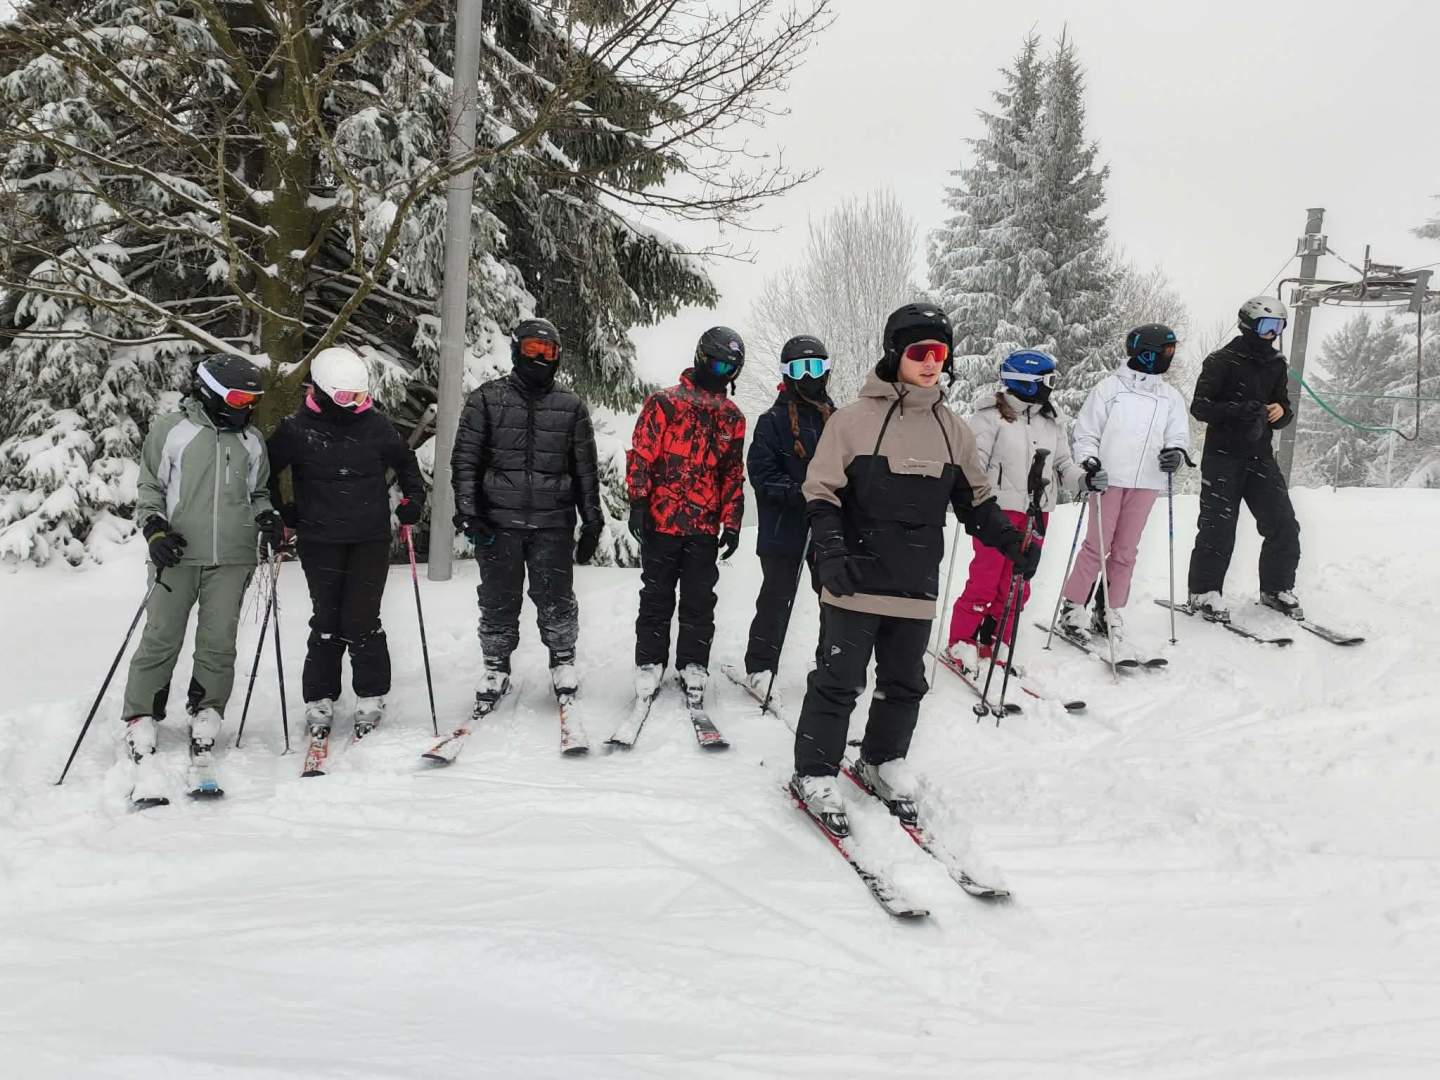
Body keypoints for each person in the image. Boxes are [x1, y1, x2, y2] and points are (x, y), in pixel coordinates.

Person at [789, 304, 1036, 836]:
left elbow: (976, 502)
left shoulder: (953, 431)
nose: (930, 363)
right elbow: (821, 493)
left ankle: (882, 761)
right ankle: (815, 771)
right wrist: (830, 551)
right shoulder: (851, 420)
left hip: (915, 583)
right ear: (895, 354)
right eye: (920, 352)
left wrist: (1011, 541)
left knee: (904, 684)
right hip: (854, 580)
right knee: (838, 682)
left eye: (939, 353)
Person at [119, 354, 280, 802]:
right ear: (211, 393)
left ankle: (207, 711)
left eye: (252, 399)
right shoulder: (172, 430)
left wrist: (268, 517)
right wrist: (154, 530)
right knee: (161, 636)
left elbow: (259, 492)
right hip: (177, 555)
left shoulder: (251, 440)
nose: (247, 406)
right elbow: (150, 487)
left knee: (218, 641)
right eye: (239, 398)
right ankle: (141, 715)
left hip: (233, 556)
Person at [266, 346, 425, 739]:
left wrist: (413, 500)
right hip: (319, 538)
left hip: (369, 538)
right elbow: (264, 473)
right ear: (321, 391)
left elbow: (406, 463)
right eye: (345, 397)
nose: (354, 404)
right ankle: (319, 696)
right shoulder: (295, 429)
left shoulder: (375, 425)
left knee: (362, 619)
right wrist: (282, 512)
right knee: (327, 618)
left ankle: (370, 693)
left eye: (360, 395)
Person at [452, 318, 603, 706]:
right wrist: (469, 511)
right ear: (517, 351)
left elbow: (585, 470)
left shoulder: (570, 406)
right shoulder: (486, 400)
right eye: (532, 349)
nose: (540, 357)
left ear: (557, 356)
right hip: (497, 523)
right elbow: (466, 460)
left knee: (556, 597)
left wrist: (592, 521)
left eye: (548, 351)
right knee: (498, 598)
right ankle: (495, 664)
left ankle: (563, 659)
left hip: (552, 523)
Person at [626, 326, 746, 707]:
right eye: (717, 363)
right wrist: (638, 502)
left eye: (730, 368)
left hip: (703, 526)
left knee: (699, 598)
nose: (722, 372)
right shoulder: (664, 403)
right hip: (661, 520)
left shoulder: (732, 417)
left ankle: (694, 662)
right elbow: (642, 453)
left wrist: (732, 521)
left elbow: (732, 472)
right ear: (701, 358)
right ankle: (649, 662)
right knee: (656, 595)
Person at [945, 349, 1086, 671]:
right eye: (1047, 380)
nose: (1051, 387)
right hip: (997, 513)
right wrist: (972, 499)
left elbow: (1063, 464)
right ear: (1026, 382)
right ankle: (962, 641)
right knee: (986, 579)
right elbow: (973, 465)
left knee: (1018, 582)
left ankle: (997, 639)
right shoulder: (988, 418)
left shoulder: (1051, 420)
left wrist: (1083, 479)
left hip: (1037, 511)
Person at [1057, 324, 1191, 657]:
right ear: (1146, 353)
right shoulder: (1109, 389)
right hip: (1109, 479)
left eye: (1172, 352)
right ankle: (1074, 607)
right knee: (1097, 545)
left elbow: (1178, 435)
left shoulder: (1169, 396)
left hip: (1146, 482)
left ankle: (1109, 609)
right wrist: (1089, 461)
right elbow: (1087, 432)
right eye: (1166, 352)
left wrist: (1175, 453)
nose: (1169, 358)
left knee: (1126, 550)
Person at [1186, 296, 1301, 621]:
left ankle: (1276, 588)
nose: (1272, 334)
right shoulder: (1222, 360)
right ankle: (1204, 592)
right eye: (1266, 326)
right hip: (1223, 457)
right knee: (1218, 527)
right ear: (1248, 325)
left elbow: (1283, 407)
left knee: (1283, 523)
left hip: (1260, 456)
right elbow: (1200, 407)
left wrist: (1281, 412)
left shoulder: (1276, 364)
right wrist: (1239, 409)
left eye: (1278, 327)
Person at [741, 335, 835, 698]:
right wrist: (798, 491)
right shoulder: (772, 421)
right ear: (787, 374)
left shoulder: (839, 421)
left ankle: (831, 663)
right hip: (784, 527)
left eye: (815, 367)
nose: (808, 376)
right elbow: (761, 473)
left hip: (828, 526)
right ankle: (761, 666)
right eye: (799, 369)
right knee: (777, 596)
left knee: (834, 595)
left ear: (826, 371)